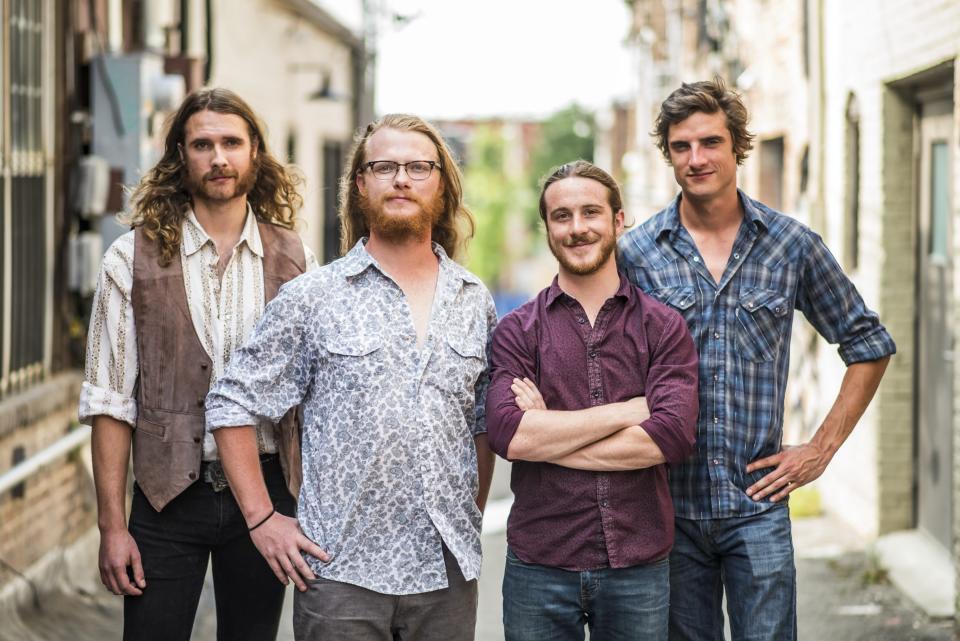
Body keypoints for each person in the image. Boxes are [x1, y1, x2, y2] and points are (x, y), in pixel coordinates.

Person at [618, 78, 897, 641]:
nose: (697, 159)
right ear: (668, 155)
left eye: (710, 142)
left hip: (757, 505)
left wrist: (820, 450)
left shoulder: (791, 245)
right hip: (667, 508)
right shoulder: (637, 253)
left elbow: (868, 344)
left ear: (737, 145)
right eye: (681, 147)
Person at [205, 113, 497, 641]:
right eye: (384, 166)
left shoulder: (474, 300)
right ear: (361, 184)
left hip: (448, 576)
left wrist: (469, 519)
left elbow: (481, 421)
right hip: (340, 575)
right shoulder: (314, 297)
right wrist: (262, 519)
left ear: (441, 184)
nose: (401, 179)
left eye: (418, 167)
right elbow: (231, 403)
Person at [80, 87, 318, 641]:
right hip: (166, 499)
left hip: (265, 493)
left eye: (231, 143)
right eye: (202, 144)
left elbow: (317, 396)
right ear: (180, 157)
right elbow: (110, 403)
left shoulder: (296, 258)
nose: (219, 158)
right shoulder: (130, 257)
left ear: (255, 151)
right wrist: (111, 526)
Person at [485, 160, 699, 641]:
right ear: (547, 228)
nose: (577, 228)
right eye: (562, 216)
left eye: (590, 213)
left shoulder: (663, 327)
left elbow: (670, 437)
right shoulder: (518, 331)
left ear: (618, 220)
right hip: (540, 564)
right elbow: (508, 435)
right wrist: (630, 410)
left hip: (638, 566)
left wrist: (549, 434)